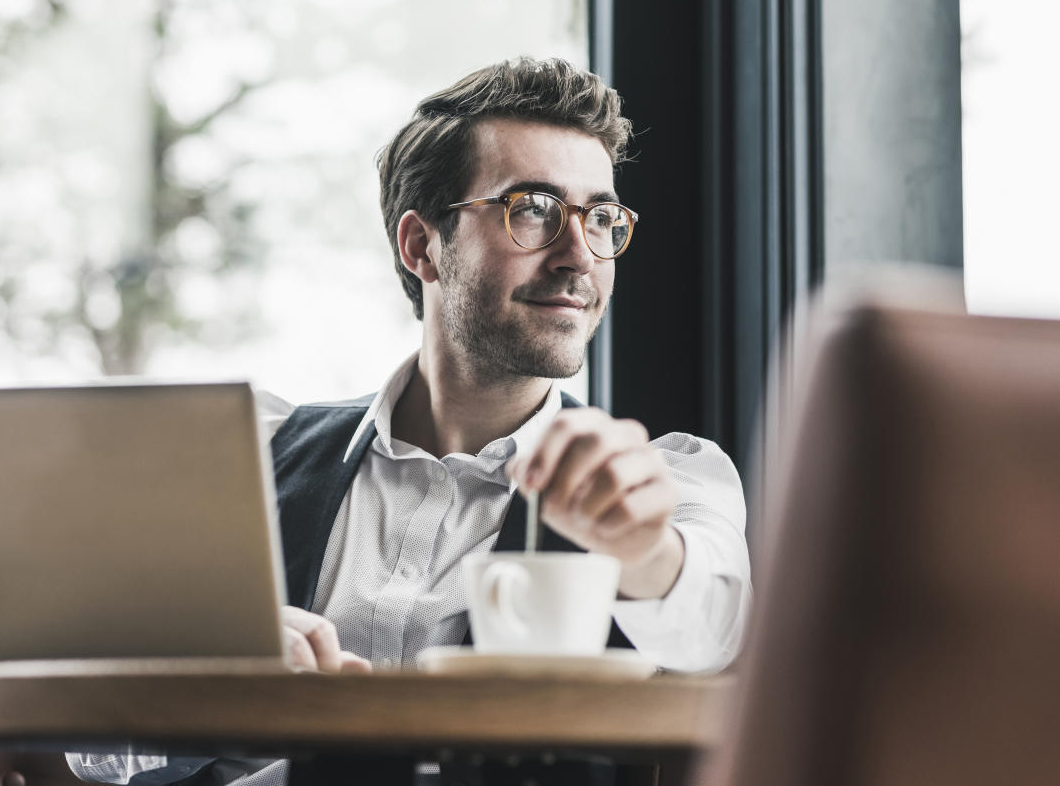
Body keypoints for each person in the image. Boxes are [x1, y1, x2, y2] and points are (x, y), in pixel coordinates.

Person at [69, 56, 751, 786]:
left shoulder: (669, 479)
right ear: (421, 245)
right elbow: (93, 750)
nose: (578, 255)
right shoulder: (249, 456)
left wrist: (645, 551)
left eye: (601, 217)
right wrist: (212, 673)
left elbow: (713, 628)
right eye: (533, 209)